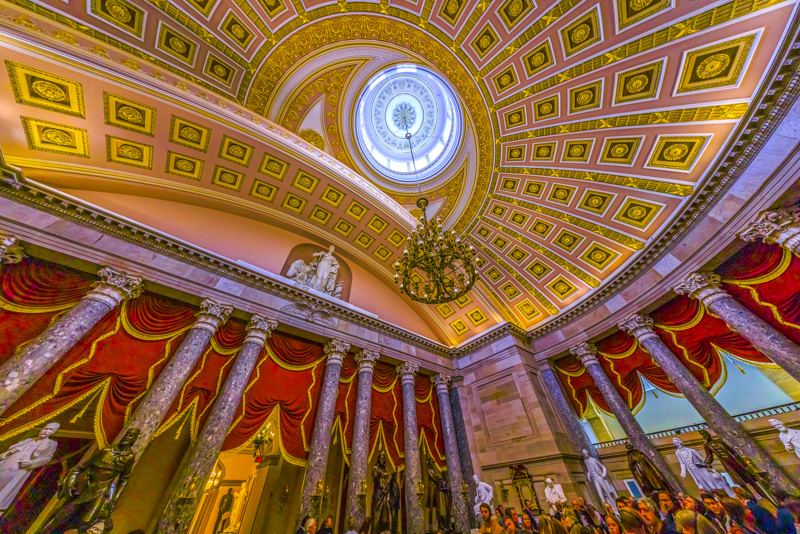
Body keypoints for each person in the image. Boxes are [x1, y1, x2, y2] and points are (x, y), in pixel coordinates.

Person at [0, 422, 60, 513]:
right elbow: (10, 450)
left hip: (19, 469)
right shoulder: (29, 440)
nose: (46, 431)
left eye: (50, 430)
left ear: (53, 432)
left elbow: (47, 458)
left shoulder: (51, 443)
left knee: (5, 490)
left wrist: (31, 463)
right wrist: (7, 454)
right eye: (45, 428)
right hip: (5, 465)